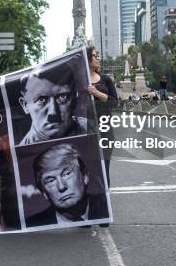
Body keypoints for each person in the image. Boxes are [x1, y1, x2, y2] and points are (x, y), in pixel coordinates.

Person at [25, 143, 109, 228]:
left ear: (84, 176)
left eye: (67, 174)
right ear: (44, 193)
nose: (61, 187)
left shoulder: (106, 206)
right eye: (51, 181)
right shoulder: (32, 224)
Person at [18, 65, 86, 145]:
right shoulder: (23, 152)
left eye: (62, 97)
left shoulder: (91, 127)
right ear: (25, 105)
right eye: (41, 99)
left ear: (75, 98)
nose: (53, 112)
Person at [85, 46, 117, 189]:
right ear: (86, 59)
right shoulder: (80, 81)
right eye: (94, 56)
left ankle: (105, 203)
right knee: (90, 169)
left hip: (105, 130)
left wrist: (96, 93)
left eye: (98, 55)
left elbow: (115, 103)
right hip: (87, 131)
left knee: (104, 168)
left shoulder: (106, 79)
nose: (98, 58)